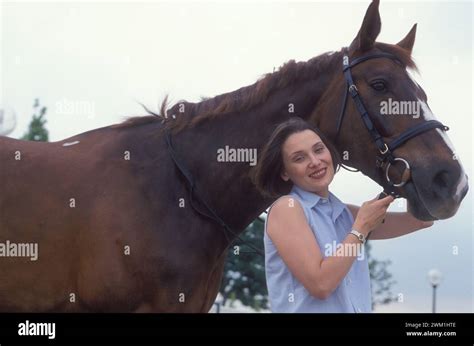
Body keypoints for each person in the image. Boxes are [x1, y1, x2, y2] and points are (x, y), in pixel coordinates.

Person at [252, 117, 434, 313]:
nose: (315, 161)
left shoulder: (345, 213)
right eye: (299, 158)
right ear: (285, 172)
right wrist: (361, 227)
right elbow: (321, 285)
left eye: (319, 149)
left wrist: (411, 170)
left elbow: (421, 220)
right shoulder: (286, 208)